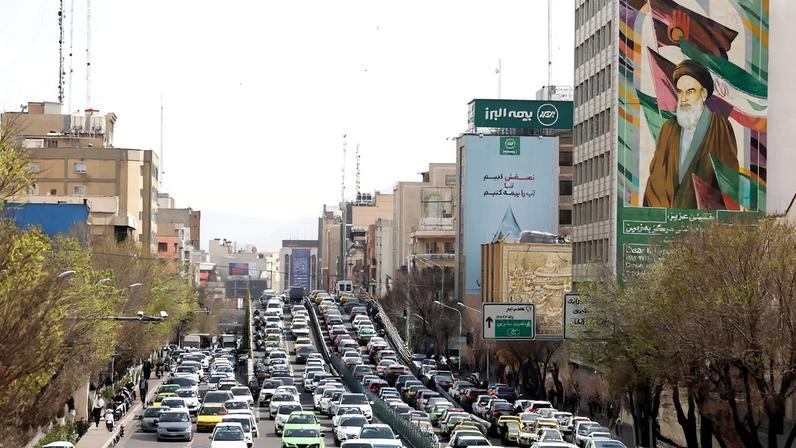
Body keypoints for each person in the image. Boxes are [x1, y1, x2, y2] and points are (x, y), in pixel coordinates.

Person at [643, 59, 739, 209]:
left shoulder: (720, 127)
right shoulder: (668, 128)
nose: (683, 98)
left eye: (690, 91)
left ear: (704, 94)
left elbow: (729, 181)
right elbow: (656, 177)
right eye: (680, 92)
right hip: (668, 216)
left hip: (706, 218)